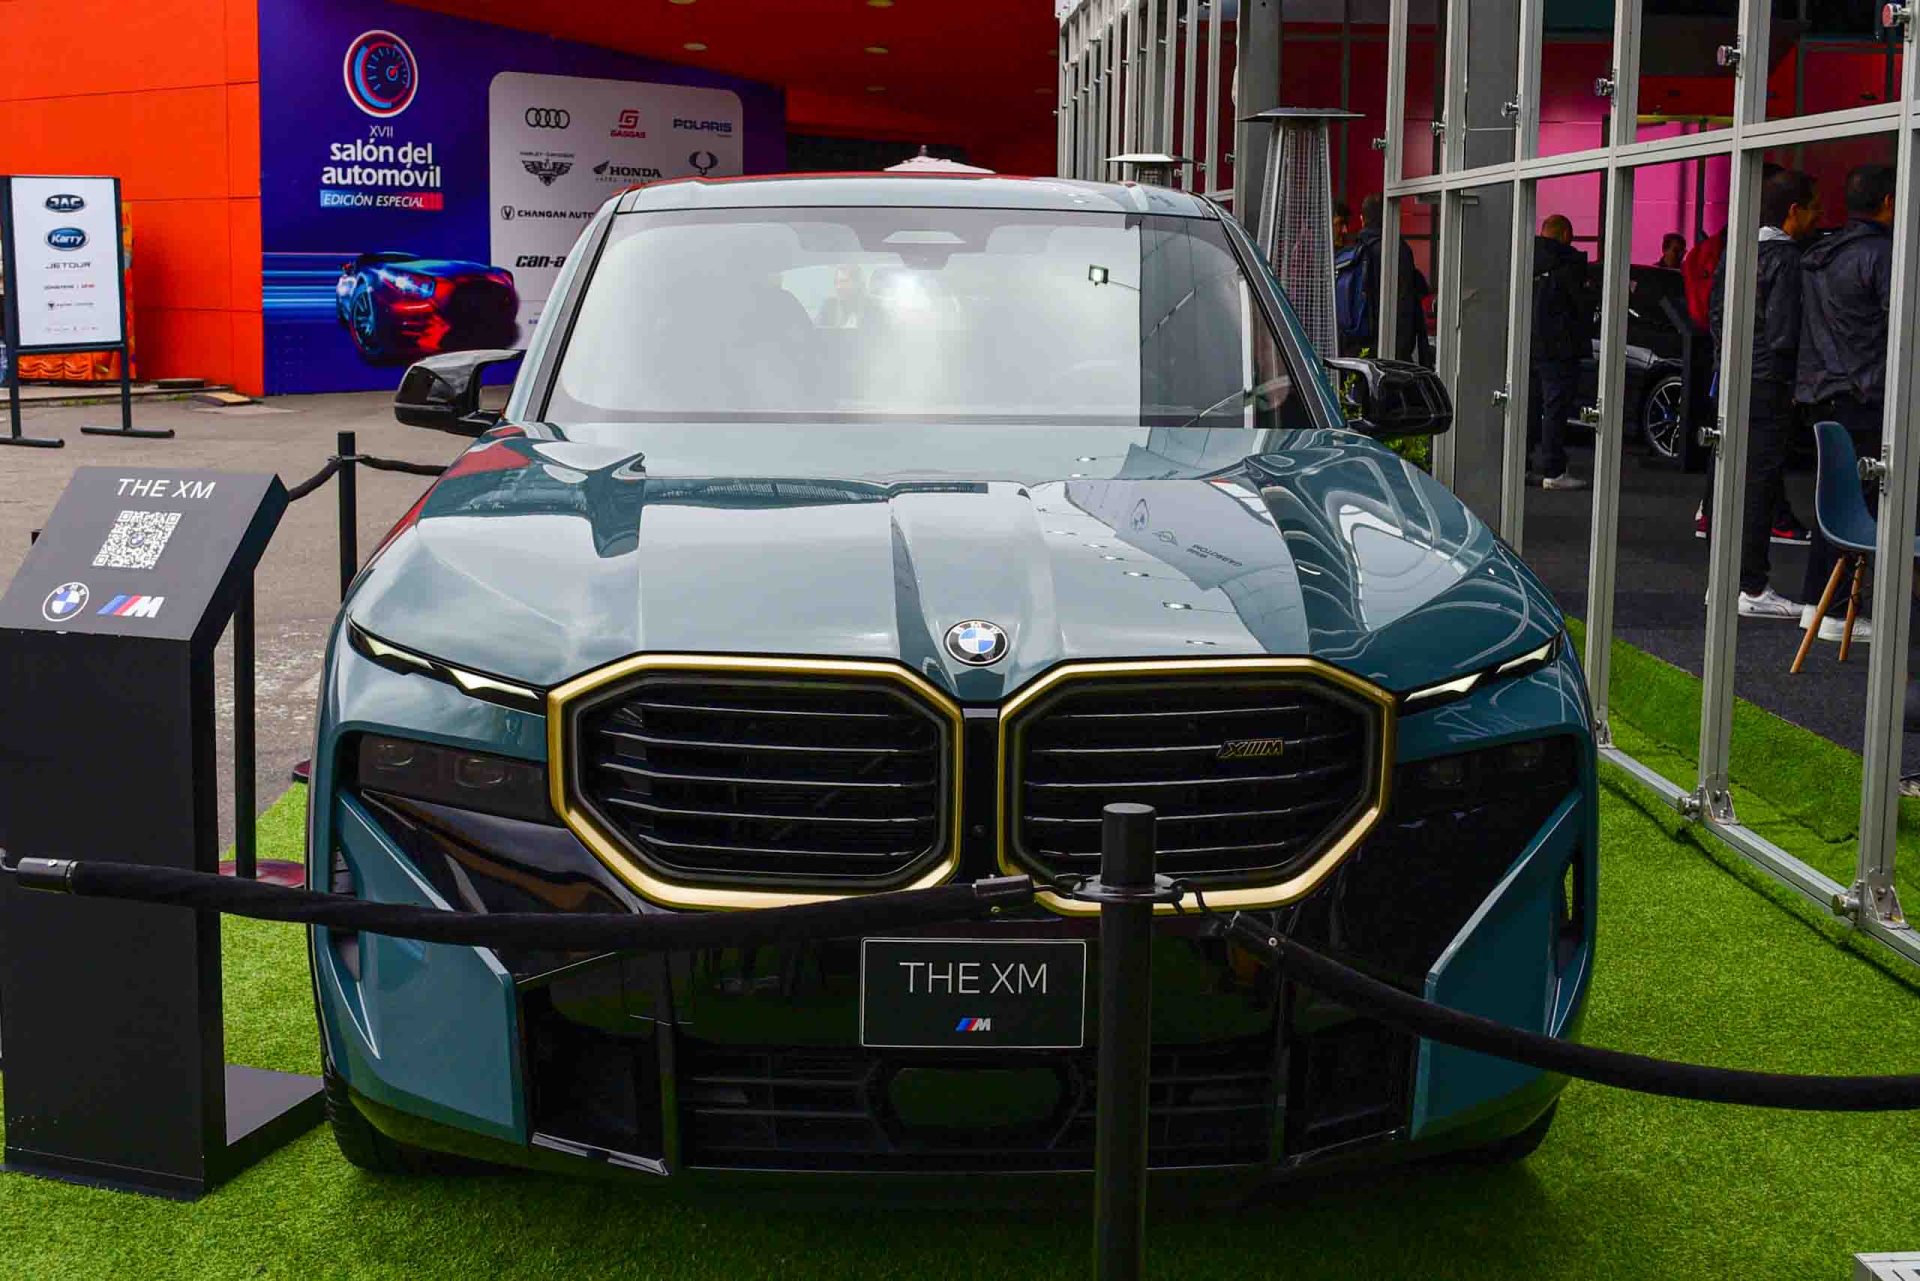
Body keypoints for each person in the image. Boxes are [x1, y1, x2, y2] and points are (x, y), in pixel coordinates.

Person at [1706, 168, 1820, 619]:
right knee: (1759, 485)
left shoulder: (1736, 250)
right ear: (1793, 211)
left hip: (1733, 377)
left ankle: (1724, 581)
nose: (1818, 217)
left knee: (1730, 481)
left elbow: (1717, 317)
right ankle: (1751, 586)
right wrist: (1793, 382)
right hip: (1768, 383)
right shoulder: (1787, 259)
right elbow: (1784, 333)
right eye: (1813, 208)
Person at [1795, 161, 1896, 644]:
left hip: (1823, 392)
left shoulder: (1821, 253)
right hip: (1865, 394)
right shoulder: (1882, 254)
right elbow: (1900, 325)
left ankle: (1820, 604)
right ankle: (1834, 611)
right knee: (1867, 503)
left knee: (1834, 502)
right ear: (1889, 201)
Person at [1527, 214, 1592, 490]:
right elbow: (1580, 305)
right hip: (1561, 347)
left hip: (1529, 344)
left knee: (1528, 406)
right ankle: (1553, 469)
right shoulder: (1569, 263)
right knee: (1555, 409)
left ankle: (1522, 465)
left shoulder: (1526, 258)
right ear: (1566, 234)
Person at [1337, 194, 1431, 363]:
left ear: (1362, 219)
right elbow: (1405, 303)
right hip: (1389, 347)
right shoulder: (1398, 249)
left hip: (1357, 345)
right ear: (1389, 217)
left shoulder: (1353, 252)